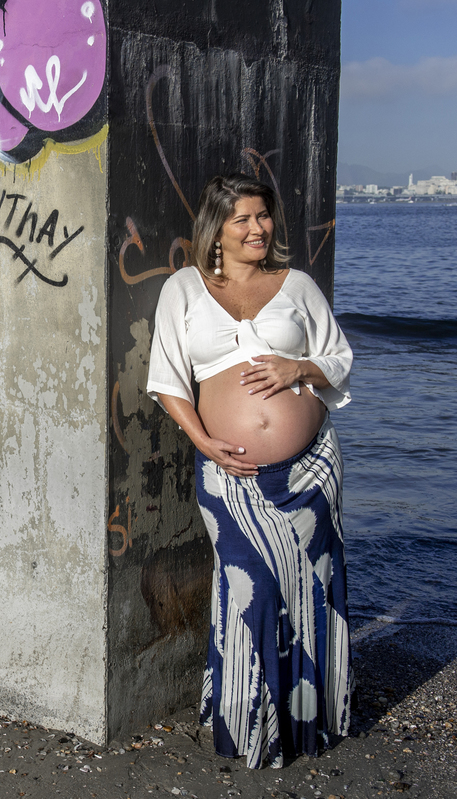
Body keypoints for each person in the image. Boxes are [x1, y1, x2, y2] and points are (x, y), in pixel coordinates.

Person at [147, 174, 353, 769]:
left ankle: (309, 724)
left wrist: (299, 369)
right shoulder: (185, 289)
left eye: (263, 216)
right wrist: (206, 443)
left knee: (310, 592)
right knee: (250, 593)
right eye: (242, 219)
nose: (258, 228)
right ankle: (246, 725)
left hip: (312, 471)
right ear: (216, 229)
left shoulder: (297, 286)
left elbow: (340, 359)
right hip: (230, 477)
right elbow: (167, 380)